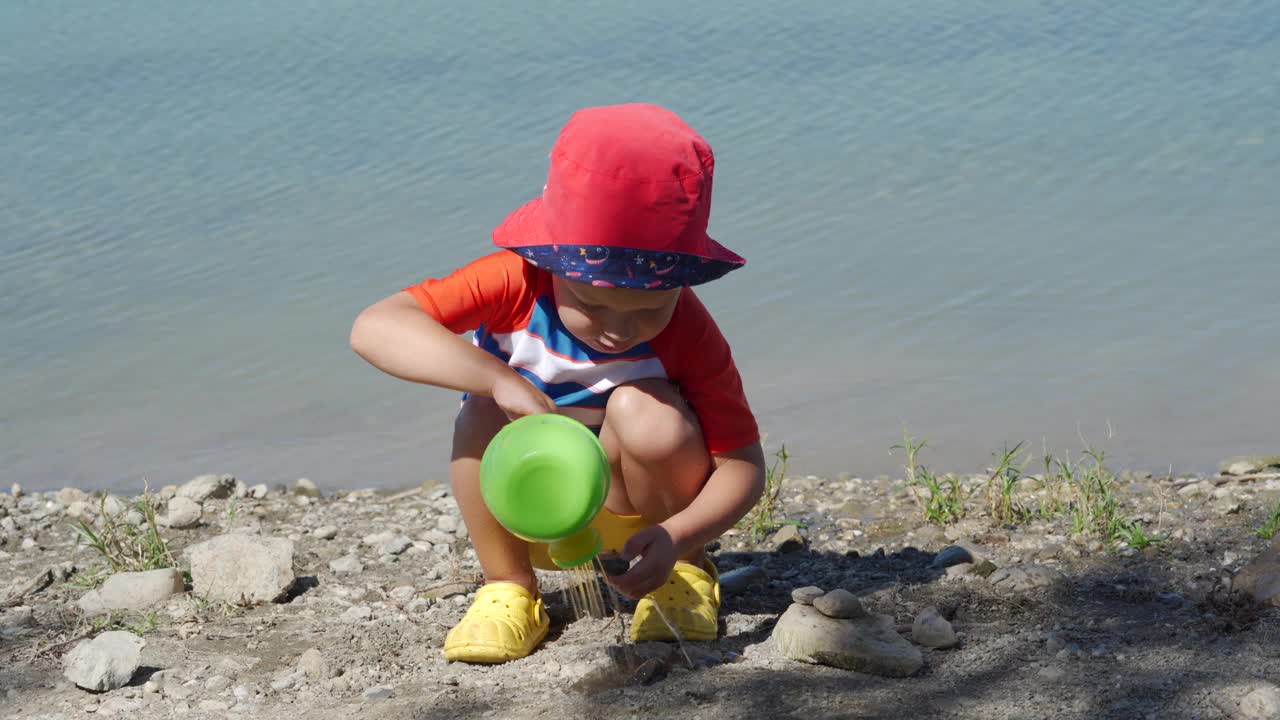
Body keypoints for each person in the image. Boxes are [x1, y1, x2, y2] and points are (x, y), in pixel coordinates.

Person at [349, 102, 766, 664]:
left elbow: (742, 466)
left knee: (651, 412)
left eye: (648, 308)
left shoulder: (689, 332)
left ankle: (685, 576)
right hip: (532, 509)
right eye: (593, 304)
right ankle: (509, 588)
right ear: (552, 263)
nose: (619, 331)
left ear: (681, 281)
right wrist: (496, 379)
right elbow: (375, 328)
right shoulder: (514, 282)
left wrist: (680, 536)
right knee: (482, 411)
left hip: (639, 527)